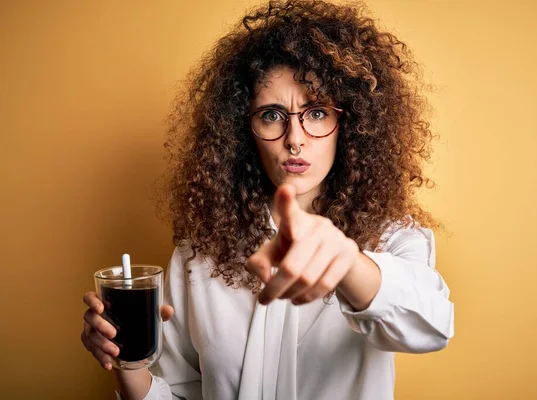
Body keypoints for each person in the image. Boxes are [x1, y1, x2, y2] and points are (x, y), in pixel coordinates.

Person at [81, 0, 455, 399]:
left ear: (350, 123)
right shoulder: (199, 254)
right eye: (272, 115)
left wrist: (347, 260)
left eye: (316, 113)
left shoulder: (392, 237)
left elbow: (431, 325)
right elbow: (178, 391)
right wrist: (127, 362)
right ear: (243, 132)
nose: (295, 139)